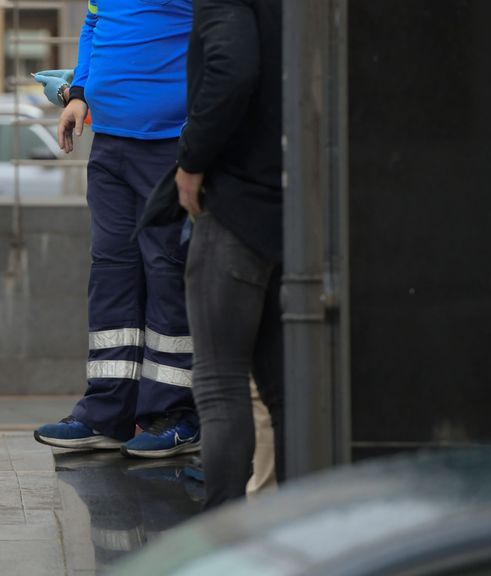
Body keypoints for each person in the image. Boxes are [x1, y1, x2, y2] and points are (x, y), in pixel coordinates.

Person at [33, 0, 201, 459]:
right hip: (109, 144)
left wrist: (200, 140)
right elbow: (93, 24)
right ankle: (107, 412)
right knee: (111, 274)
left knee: (166, 273)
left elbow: (221, 42)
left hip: (170, 145)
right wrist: (80, 93)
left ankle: (175, 415)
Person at [176, 0, 284, 509]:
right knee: (287, 394)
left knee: (221, 387)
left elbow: (232, 69)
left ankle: (221, 543)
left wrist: (192, 160)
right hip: (295, 212)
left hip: (237, 206)